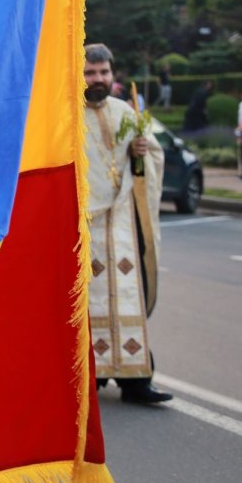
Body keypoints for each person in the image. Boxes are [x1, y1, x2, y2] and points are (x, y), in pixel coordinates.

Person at [83, 43, 171, 404]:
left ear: (112, 74)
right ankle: (93, 377)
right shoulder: (65, 116)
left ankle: (137, 380)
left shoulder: (126, 112)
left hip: (121, 223)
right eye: (90, 72)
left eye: (103, 72)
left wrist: (140, 154)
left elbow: (148, 164)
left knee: (127, 299)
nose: (98, 78)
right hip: (83, 222)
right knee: (88, 302)